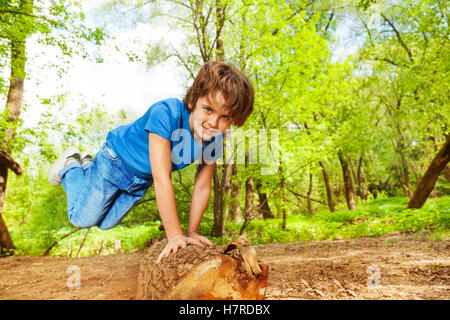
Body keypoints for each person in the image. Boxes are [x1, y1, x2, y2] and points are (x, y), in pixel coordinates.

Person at [48, 61, 254, 262]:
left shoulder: (215, 138)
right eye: (208, 109)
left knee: (106, 223)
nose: (213, 123)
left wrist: (191, 232)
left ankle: (86, 164)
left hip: (140, 181)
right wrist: (174, 236)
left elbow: (202, 186)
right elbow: (162, 178)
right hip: (115, 162)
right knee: (81, 219)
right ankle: (72, 166)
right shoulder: (166, 113)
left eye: (225, 117)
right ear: (193, 100)